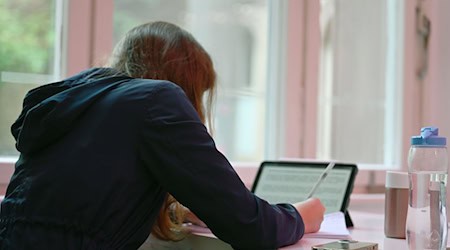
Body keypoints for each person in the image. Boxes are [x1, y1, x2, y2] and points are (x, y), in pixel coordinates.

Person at [0, 21, 325, 249]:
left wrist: (183, 208)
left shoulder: (76, 103)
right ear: (188, 85)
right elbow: (252, 228)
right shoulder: (156, 99)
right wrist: (300, 215)